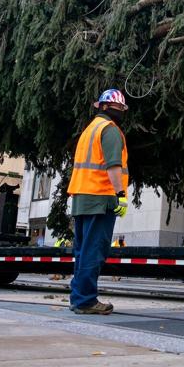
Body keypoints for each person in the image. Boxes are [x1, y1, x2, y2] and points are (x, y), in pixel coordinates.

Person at [66, 89, 130, 315]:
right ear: (109, 107)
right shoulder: (110, 130)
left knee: (83, 251)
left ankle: (78, 297)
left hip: (82, 197)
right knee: (94, 251)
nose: (121, 112)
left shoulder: (89, 130)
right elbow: (113, 166)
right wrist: (120, 195)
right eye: (120, 108)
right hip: (100, 197)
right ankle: (85, 301)